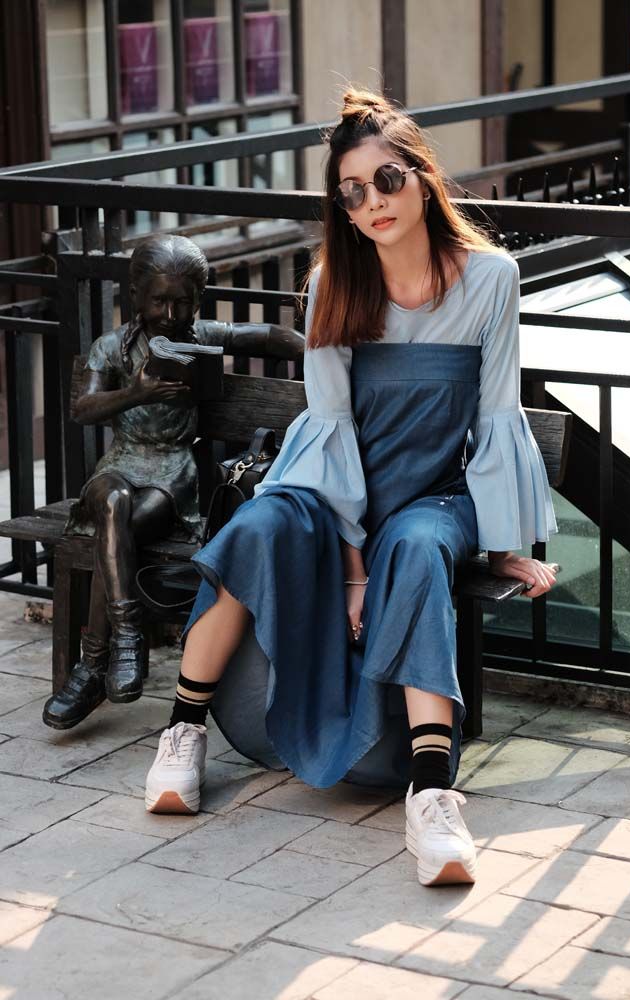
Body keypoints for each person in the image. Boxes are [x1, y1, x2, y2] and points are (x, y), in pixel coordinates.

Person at [144, 88, 558, 887]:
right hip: (333, 490)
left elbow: (496, 415)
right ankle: (182, 733)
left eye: (387, 180)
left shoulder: (490, 279)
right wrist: (351, 566)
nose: (373, 202)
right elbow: (330, 430)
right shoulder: (333, 283)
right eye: (352, 192)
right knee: (256, 528)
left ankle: (430, 799)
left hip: (435, 493)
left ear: (423, 178)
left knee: (418, 548)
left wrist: (503, 544)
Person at [43, 234, 299, 731]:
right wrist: (136, 393)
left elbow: (269, 335)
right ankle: (125, 636)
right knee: (112, 502)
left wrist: (316, 348)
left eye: (183, 302)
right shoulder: (111, 347)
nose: (170, 313)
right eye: (159, 300)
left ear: (198, 299)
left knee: (118, 525)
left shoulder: (201, 336)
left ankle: (92, 665)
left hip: (170, 475)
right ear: (135, 295)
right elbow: (83, 408)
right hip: (119, 464)